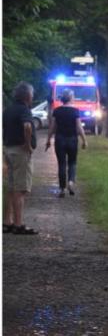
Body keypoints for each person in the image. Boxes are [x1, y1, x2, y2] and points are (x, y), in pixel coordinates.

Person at [2, 81, 38, 235]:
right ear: (28, 96)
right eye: (32, 95)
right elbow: (27, 126)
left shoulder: (8, 110)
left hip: (8, 150)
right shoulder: (24, 110)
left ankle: (6, 221)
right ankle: (18, 224)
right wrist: (28, 145)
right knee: (20, 189)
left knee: (10, 187)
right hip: (20, 152)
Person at [45, 89, 87, 198]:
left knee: (61, 164)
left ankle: (62, 189)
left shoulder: (57, 110)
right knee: (72, 163)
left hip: (60, 140)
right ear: (71, 98)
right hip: (72, 139)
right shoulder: (75, 111)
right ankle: (71, 182)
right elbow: (79, 127)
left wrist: (48, 139)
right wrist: (84, 140)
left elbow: (53, 127)